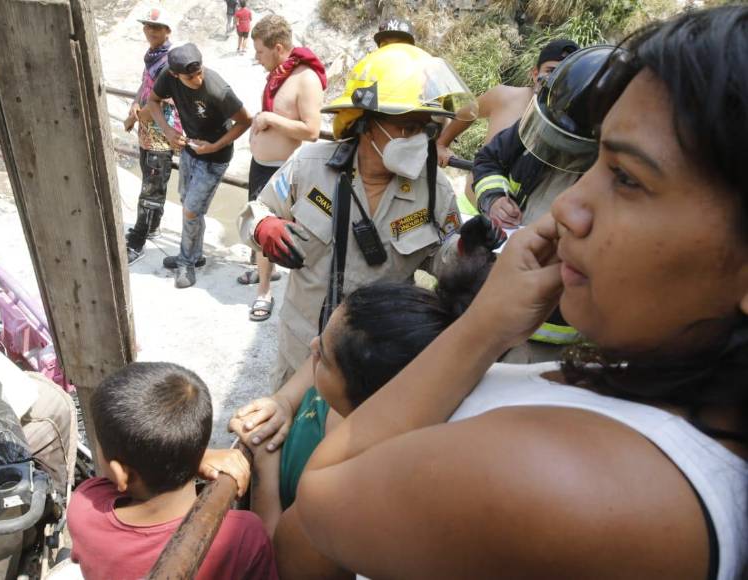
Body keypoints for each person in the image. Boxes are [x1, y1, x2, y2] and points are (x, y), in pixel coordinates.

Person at [279, 6, 748, 578]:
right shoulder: (645, 389)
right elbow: (266, 210)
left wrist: (480, 324)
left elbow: (313, 517)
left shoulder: (565, 485)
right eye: (594, 166)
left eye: (627, 178)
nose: (569, 206)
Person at [230, 228, 495, 537]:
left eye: (325, 358)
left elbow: (276, 553)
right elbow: (321, 355)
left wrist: (264, 466)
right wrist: (283, 402)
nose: (312, 346)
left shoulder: (354, 480)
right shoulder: (340, 382)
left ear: (370, 395)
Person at [238, 42, 471, 389]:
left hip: (376, 360)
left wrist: (469, 249)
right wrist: (264, 227)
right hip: (303, 346)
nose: (419, 140)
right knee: (289, 432)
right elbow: (258, 210)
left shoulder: (434, 189)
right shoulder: (310, 166)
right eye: (407, 127)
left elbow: (443, 258)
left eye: (426, 128)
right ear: (366, 124)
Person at [67, 362, 278, 579]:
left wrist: (195, 458)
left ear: (122, 473)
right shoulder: (243, 533)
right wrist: (195, 457)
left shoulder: (85, 508)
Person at [473, 45, 614, 362]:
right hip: (496, 293)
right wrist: (494, 199)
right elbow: (488, 160)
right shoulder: (538, 123)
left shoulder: (614, 172)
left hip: (552, 331)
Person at [238, 14, 327, 322]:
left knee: (279, 230)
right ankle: (264, 280)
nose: (256, 57)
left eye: (260, 51)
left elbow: (312, 130)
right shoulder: (278, 75)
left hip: (284, 172)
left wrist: (270, 119)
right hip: (260, 165)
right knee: (259, 226)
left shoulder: (305, 79)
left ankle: (268, 292)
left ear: (278, 48)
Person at [146, 43, 252, 288]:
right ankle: (195, 254)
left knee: (192, 209)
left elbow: (245, 121)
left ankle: (186, 262)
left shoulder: (216, 88)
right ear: (175, 74)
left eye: (199, 72)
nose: (197, 79)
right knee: (187, 203)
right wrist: (169, 130)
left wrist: (214, 147)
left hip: (215, 156)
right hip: (189, 150)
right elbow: (153, 101)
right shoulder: (168, 77)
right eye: (190, 76)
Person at [435, 38, 579, 211]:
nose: (555, 79)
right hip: (473, 207)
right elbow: (470, 109)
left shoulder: (575, 123)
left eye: (564, 73)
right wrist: (442, 143)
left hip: (522, 220)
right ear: (534, 74)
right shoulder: (505, 96)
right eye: (551, 71)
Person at [124, 7, 182, 265]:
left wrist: (136, 116)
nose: (150, 31)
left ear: (167, 31)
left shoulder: (171, 62)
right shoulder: (152, 56)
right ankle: (153, 226)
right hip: (147, 131)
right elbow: (145, 85)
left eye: (156, 27)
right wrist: (135, 104)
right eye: (147, 26)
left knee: (150, 189)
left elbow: (164, 99)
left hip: (162, 131)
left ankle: (137, 242)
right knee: (152, 182)